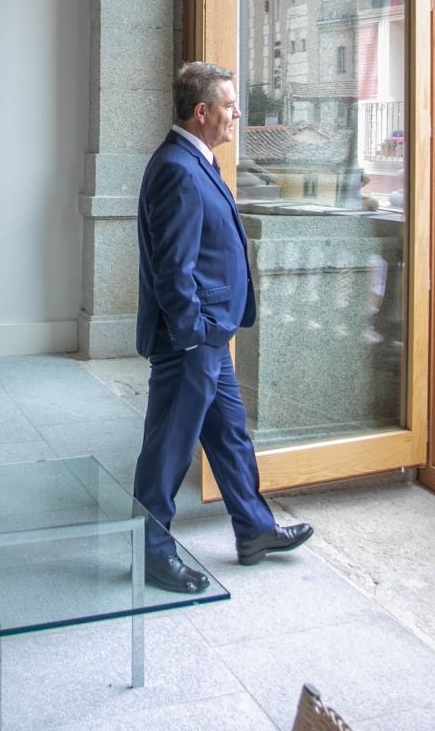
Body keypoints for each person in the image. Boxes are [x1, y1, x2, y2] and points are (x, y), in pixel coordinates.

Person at [132, 61, 313, 594]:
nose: (238, 113)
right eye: (230, 104)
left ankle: (254, 531)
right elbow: (173, 267)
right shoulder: (177, 168)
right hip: (192, 341)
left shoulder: (195, 161)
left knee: (230, 437)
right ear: (202, 111)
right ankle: (151, 551)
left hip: (209, 338)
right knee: (167, 450)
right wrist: (193, 334)